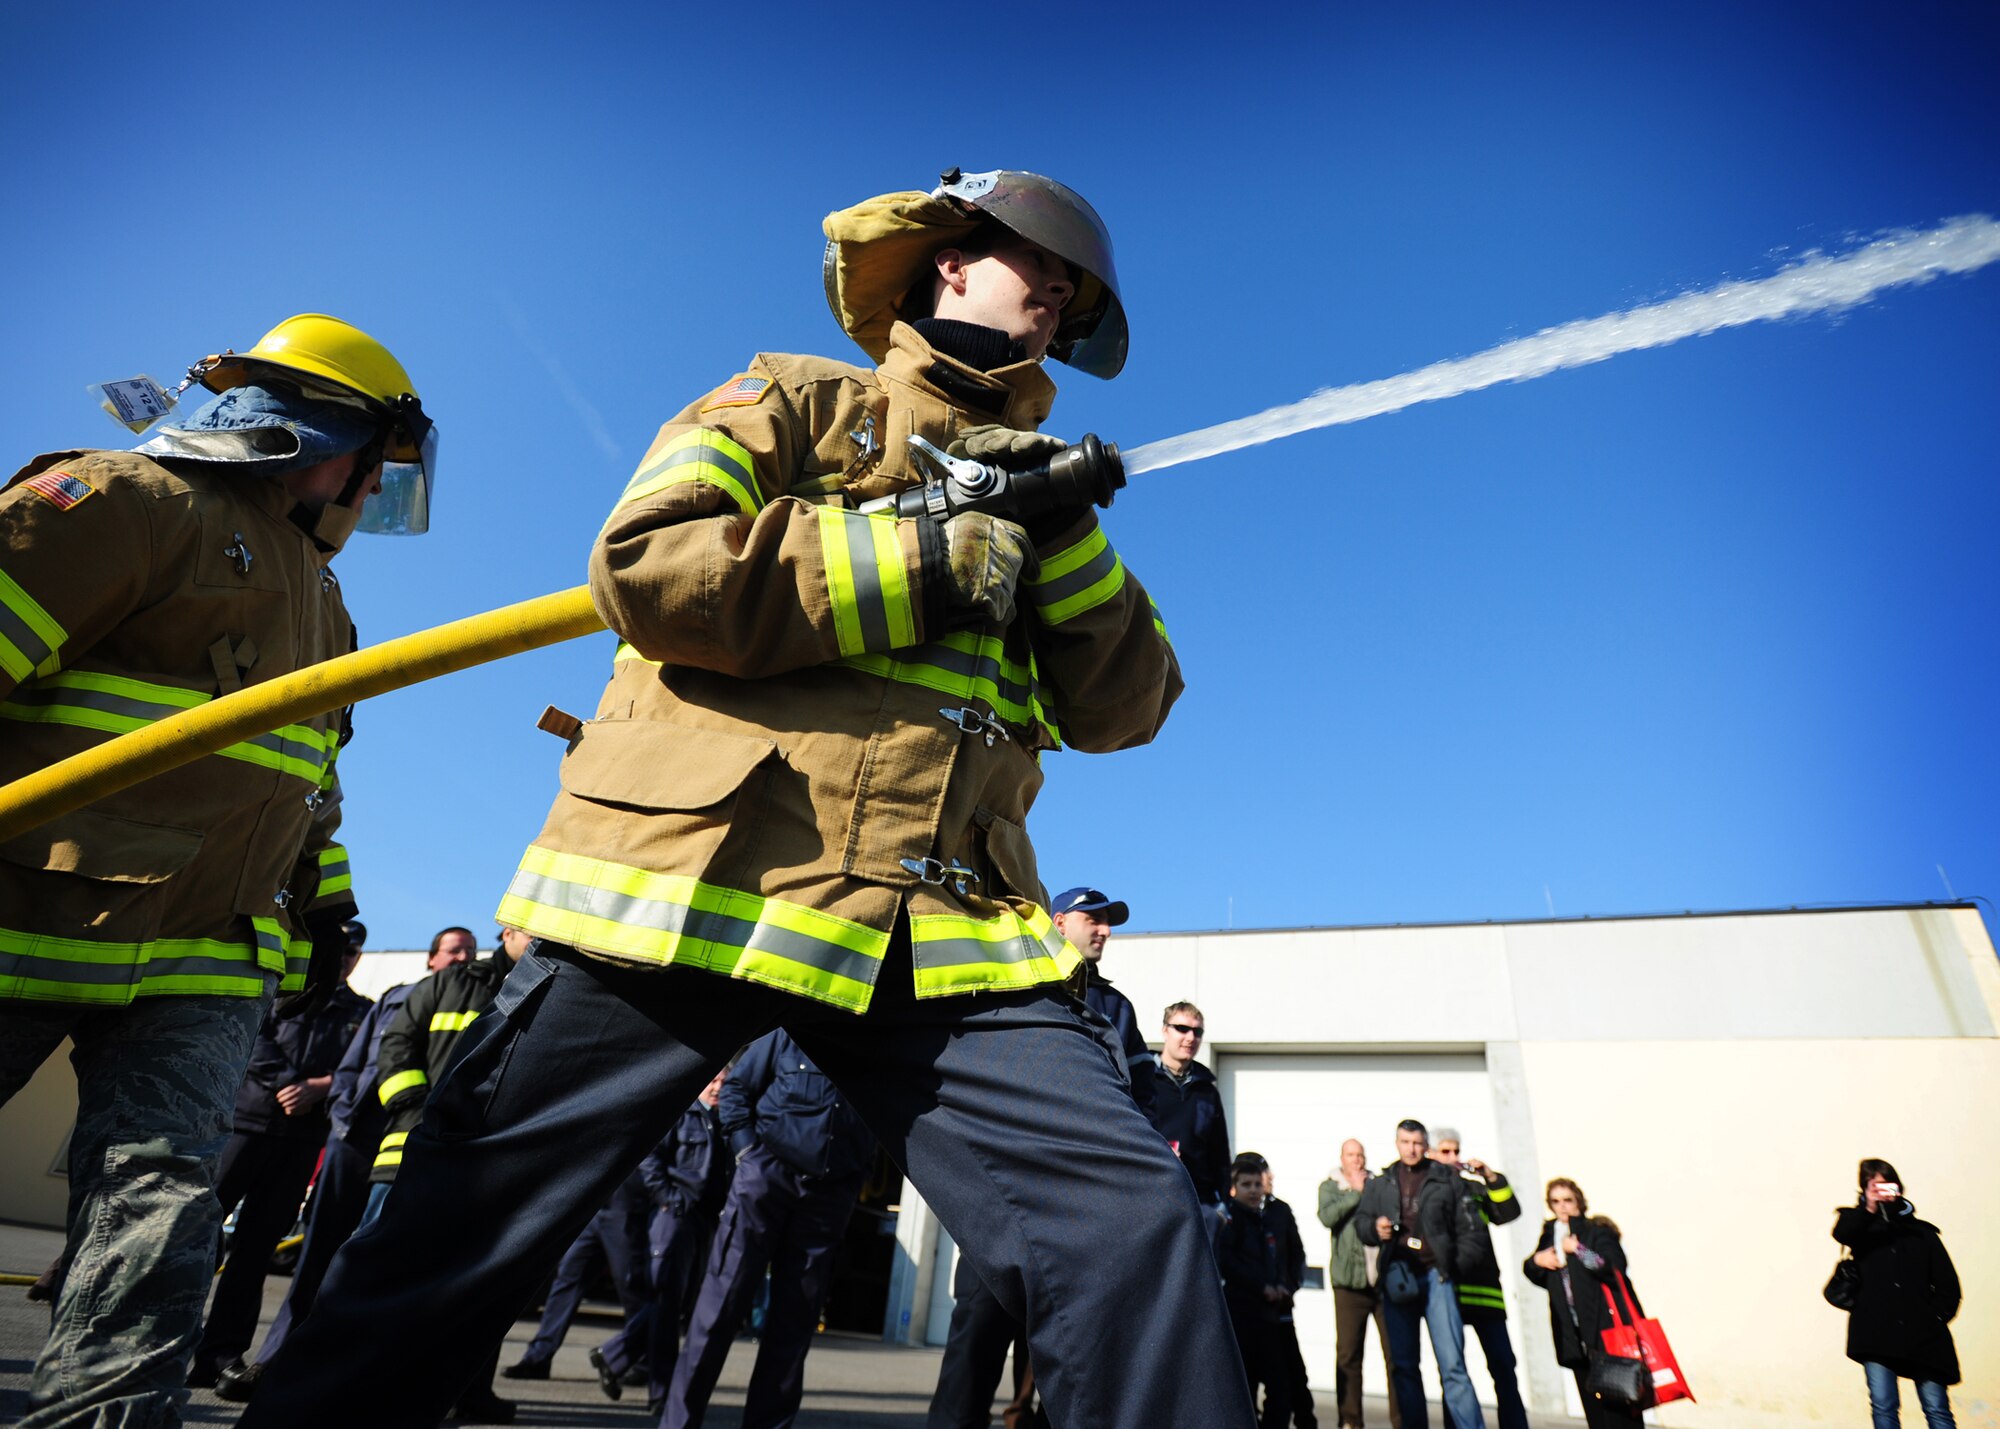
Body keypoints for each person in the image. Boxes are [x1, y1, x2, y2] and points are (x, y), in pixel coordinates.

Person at [241, 167, 1248, 1429]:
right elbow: (647, 566)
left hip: (934, 932)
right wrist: (927, 552)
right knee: (454, 1233)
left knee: (1128, 1224)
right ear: (947, 261)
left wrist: (1059, 531)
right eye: (1032, 270)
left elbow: (1126, 708)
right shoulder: (790, 397)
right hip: (696, 886)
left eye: (1071, 299)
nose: (1051, 302)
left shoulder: (1045, 488)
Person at [0, 312, 433, 1428]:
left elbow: (296, 785)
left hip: (205, 954)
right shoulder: (123, 501)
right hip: (25, 913)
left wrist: (327, 902)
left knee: (158, 1223)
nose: (366, 492)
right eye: (371, 465)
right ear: (325, 440)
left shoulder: (323, 605)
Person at [927, 882, 1153, 1429]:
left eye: (1109, 922)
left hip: (1077, 1205)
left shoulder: (1115, 1009)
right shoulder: (1013, 979)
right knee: (977, 1334)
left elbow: (1141, 1100)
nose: (1104, 930)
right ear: (1058, 922)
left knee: (1069, 1349)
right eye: (1092, 919)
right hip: (1002, 1192)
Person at [228, 926, 478, 1399]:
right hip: (355, 1140)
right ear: (432, 959)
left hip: (409, 1148)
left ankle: (343, 1376)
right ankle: (274, 1361)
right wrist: (341, 1117)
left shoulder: (475, 1005)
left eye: (469, 950)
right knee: (318, 1254)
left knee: (381, 1266)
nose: (463, 957)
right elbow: (355, 1065)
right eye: (453, 950)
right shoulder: (393, 998)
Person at [665, 1029, 878, 1429]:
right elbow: (736, 1091)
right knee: (717, 1312)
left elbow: (883, 1124)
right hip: (766, 1183)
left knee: (793, 1329)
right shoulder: (787, 1035)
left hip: (828, 1198)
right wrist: (749, 1157)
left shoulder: (874, 1050)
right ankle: (677, 1424)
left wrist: (856, 1178)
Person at [360, 927, 530, 1424]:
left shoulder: (555, 988)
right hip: (413, 1150)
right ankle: (356, 1383)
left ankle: (467, 1389)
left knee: (480, 1285)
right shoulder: (449, 984)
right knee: (379, 1270)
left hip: (494, 1163)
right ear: (511, 930)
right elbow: (396, 1046)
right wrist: (416, 1112)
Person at [190, 941, 373, 1387]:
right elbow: (253, 1039)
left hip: (303, 1139)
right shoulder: (279, 993)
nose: (343, 955)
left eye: (352, 951)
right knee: (194, 1233)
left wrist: (320, 1087)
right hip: (247, 1126)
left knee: (255, 1251)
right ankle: (165, 1341)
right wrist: (291, 1084)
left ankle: (219, 1355)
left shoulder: (363, 1011)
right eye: (339, 946)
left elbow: (364, 1063)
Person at [583, 1066, 735, 1416]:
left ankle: (614, 1355)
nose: (717, 1088)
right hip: (676, 1217)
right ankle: (660, 1394)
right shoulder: (682, 1115)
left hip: (704, 1221)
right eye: (713, 1081)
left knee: (677, 1306)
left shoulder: (723, 1121)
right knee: (666, 1306)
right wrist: (667, 1198)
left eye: (723, 1083)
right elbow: (650, 1157)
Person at [1355, 1120, 1484, 1429]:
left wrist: (1450, 1268)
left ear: (1425, 1145)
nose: (1411, 1149)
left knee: (1453, 1367)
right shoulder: (1382, 1182)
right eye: (1405, 1142)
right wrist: (1375, 1228)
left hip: (1436, 1279)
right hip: (1399, 1280)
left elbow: (1472, 1232)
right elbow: (1361, 1222)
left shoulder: (1446, 1180)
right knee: (1404, 1366)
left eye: (1416, 1143)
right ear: (1397, 1144)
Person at [1835, 1160, 1961, 1429]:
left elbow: (1948, 1284)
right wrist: (1869, 1207)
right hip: (1875, 1333)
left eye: (1887, 1185)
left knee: (1937, 1408)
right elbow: (1843, 1233)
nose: (1882, 1191)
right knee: (1883, 1405)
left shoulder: (1923, 1234)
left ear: (1899, 1188)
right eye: (1874, 1186)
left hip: (1925, 1336)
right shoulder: (1858, 1227)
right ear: (1865, 1189)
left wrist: (1936, 1317)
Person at [504, 1170, 652, 1389]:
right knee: (567, 1279)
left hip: (626, 1203)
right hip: (593, 1203)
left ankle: (641, 1362)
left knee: (631, 1286)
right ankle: (537, 1358)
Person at [1521, 1178, 1641, 1429]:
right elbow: (1535, 1273)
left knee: (1620, 1405)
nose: (1562, 1207)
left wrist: (1579, 1249)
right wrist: (1536, 1261)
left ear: (1579, 1201)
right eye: (1556, 1201)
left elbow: (1613, 1268)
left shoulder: (1596, 1230)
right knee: (1594, 1409)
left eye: (1568, 1200)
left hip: (1605, 1330)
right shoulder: (1550, 1235)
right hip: (1574, 1335)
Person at [1430, 1129, 1526, 1429]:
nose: (1453, 1157)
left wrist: (1491, 1177)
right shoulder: (1428, 1190)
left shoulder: (1474, 1188)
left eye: (1456, 1151)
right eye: (1445, 1151)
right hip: (1451, 1293)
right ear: (1432, 1153)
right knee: (1453, 1371)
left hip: (1486, 1293)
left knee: (1504, 1368)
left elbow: (1508, 1212)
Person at [1219, 1154, 1306, 1429]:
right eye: (1247, 1185)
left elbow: (1290, 1257)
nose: (1254, 1190)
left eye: (1258, 1184)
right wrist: (1261, 1287)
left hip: (1271, 1318)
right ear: (1234, 1188)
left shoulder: (1270, 1216)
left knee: (1281, 1389)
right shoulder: (1229, 1221)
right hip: (1243, 1316)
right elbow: (1228, 1263)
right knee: (1245, 1387)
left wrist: (1285, 1287)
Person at [1319, 1139, 1399, 1429]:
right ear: (1342, 1157)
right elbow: (1327, 1217)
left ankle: (1401, 1420)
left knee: (1395, 1355)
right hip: (1349, 1285)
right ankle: (1350, 1421)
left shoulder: (1378, 1183)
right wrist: (1355, 1192)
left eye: (1360, 1155)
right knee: (1349, 1356)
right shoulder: (1331, 1185)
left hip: (1381, 1282)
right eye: (1351, 1155)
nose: (1357, 1160)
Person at [1148, 1001, 1232, 1244]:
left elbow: (1220, 1154)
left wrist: (1221, 1207)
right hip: (1150, 1198)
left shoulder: (1207, 1091)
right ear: (1165, 1030)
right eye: (1182, 1029)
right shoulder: (1140, 1081)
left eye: (1197, 1031)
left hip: (1199, 1204)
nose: (1190, 1037)